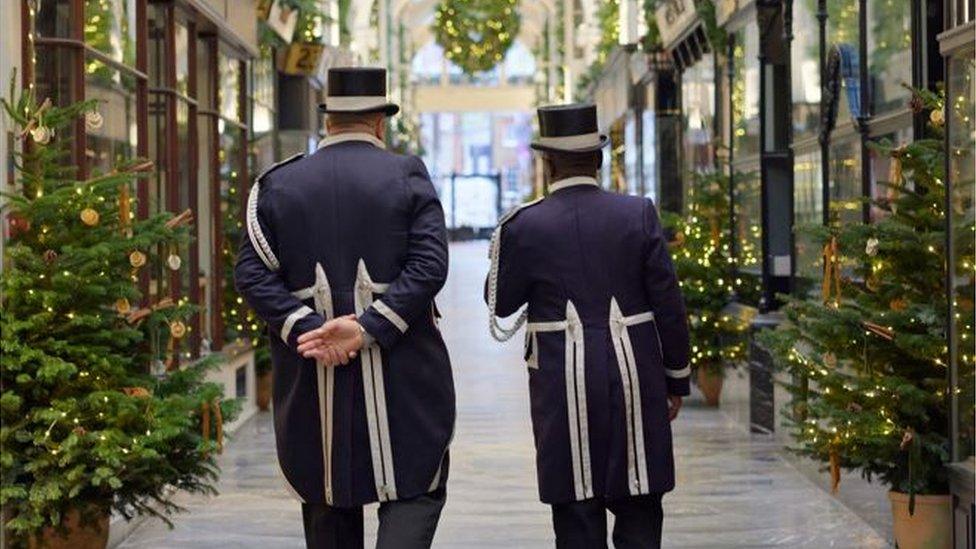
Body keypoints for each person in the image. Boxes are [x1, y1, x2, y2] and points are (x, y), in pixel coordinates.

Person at [235, 67, 455, 549]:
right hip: (405, 375)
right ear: (380, 122)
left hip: (313, 380)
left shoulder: (277, 184)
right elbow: (431, 265)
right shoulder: (408, 174)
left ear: (328, 120)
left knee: (328, 495)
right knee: (414, 488)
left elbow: (251, 273)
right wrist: (370, 326)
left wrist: (307, 329)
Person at [485, 104, 690, 549]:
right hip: (634, 374)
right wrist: (676, 378)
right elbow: (669, 305)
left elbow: (499, 303)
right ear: (598, 159)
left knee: (576, 511)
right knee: (639, 503)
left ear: (547, 162)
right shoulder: (638, 213)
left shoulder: (524, 225)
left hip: (561, 382)